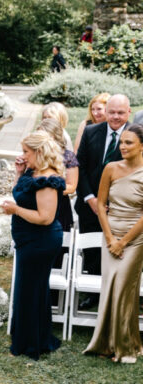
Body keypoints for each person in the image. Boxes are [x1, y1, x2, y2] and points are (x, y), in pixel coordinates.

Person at [3, 131, 65, 359]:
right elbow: (20, 193)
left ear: (39, 152)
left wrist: (15, 210)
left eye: (26, 152)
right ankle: (30, 337)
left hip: (41, 242)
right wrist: (18, 174)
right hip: (27, 240)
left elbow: (45, 218)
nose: (23, 156)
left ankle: (31, 344)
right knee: (28, 289)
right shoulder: (33, 173)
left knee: (31, 290)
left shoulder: (47, 180)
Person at [84, 124, 143, 362]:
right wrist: (109, 238)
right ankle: (106, 343)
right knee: (109, 287)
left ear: (142, 146)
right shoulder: (110, 168)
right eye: (122, 142)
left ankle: (126, 346)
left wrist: (124, 241)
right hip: (110, 233)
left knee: (124, 289)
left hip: (136, 238)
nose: (123, 147)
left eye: (129, 143)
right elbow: (100, 203)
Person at [76, 94, 132, 310]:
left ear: (128, 112)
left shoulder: (136, 135)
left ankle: (117, 297)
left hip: (121, 209)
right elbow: (79, 166)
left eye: (120, 113)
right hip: (89, 205)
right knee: (92, 252)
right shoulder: (91, 132)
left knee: (117, 251)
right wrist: (90, 198)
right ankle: (94, 295)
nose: (115, 117)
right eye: (112, 112)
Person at [36, 118, 79, 231]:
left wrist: (48, 191)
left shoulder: (67, 157)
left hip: (59, 206)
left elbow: (71, 186)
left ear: (53, 137)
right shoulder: (35, 156)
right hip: (35, 206)